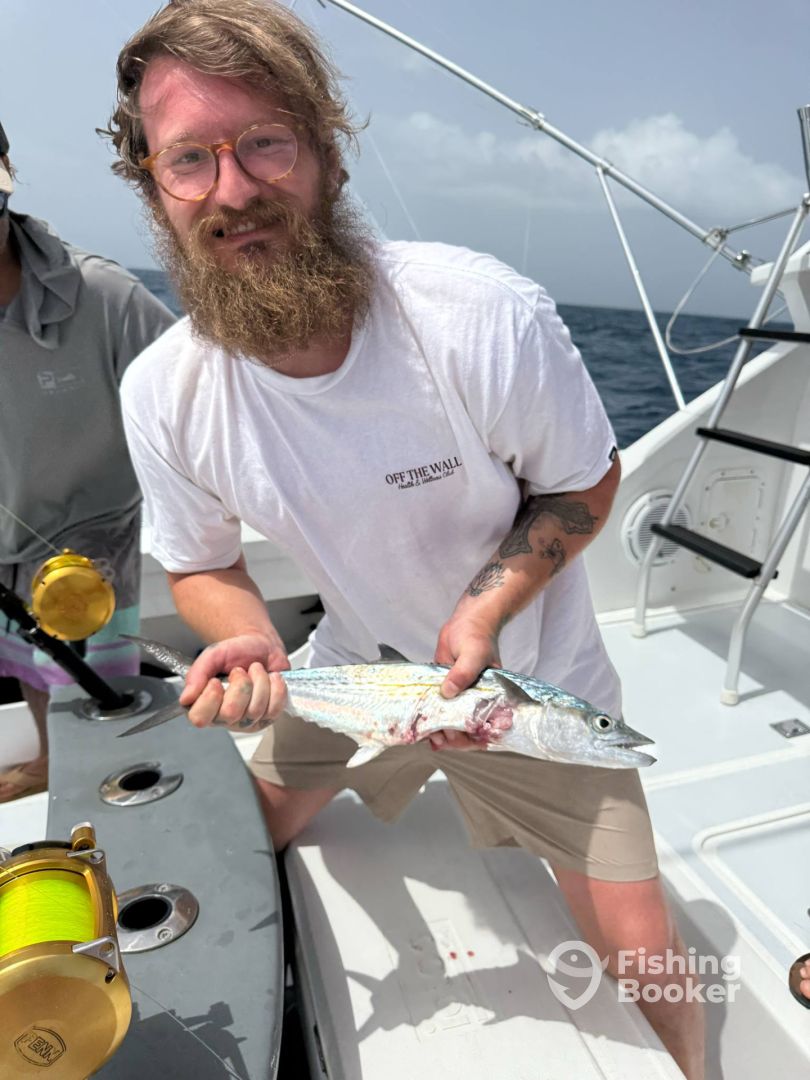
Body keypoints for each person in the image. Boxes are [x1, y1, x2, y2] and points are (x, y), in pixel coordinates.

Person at [105, 2, 704, 1075]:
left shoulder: (477, 317)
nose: (232, 190)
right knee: (221, 852)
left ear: (328, 154)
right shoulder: (164, 391)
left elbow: (585, 481)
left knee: (648, 961)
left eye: (265, 143)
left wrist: (481, 614)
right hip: (353, 672)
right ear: (155, 189)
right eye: (190, 159)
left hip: (531, 683)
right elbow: (199, 563)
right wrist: (247, 638)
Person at [0, 118, 175, 802]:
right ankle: (51, 761)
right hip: (7, 529)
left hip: (90, 533)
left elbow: (196, 400)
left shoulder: (103, 293)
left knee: (96, 685)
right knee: (27, 662)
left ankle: (109, 782)